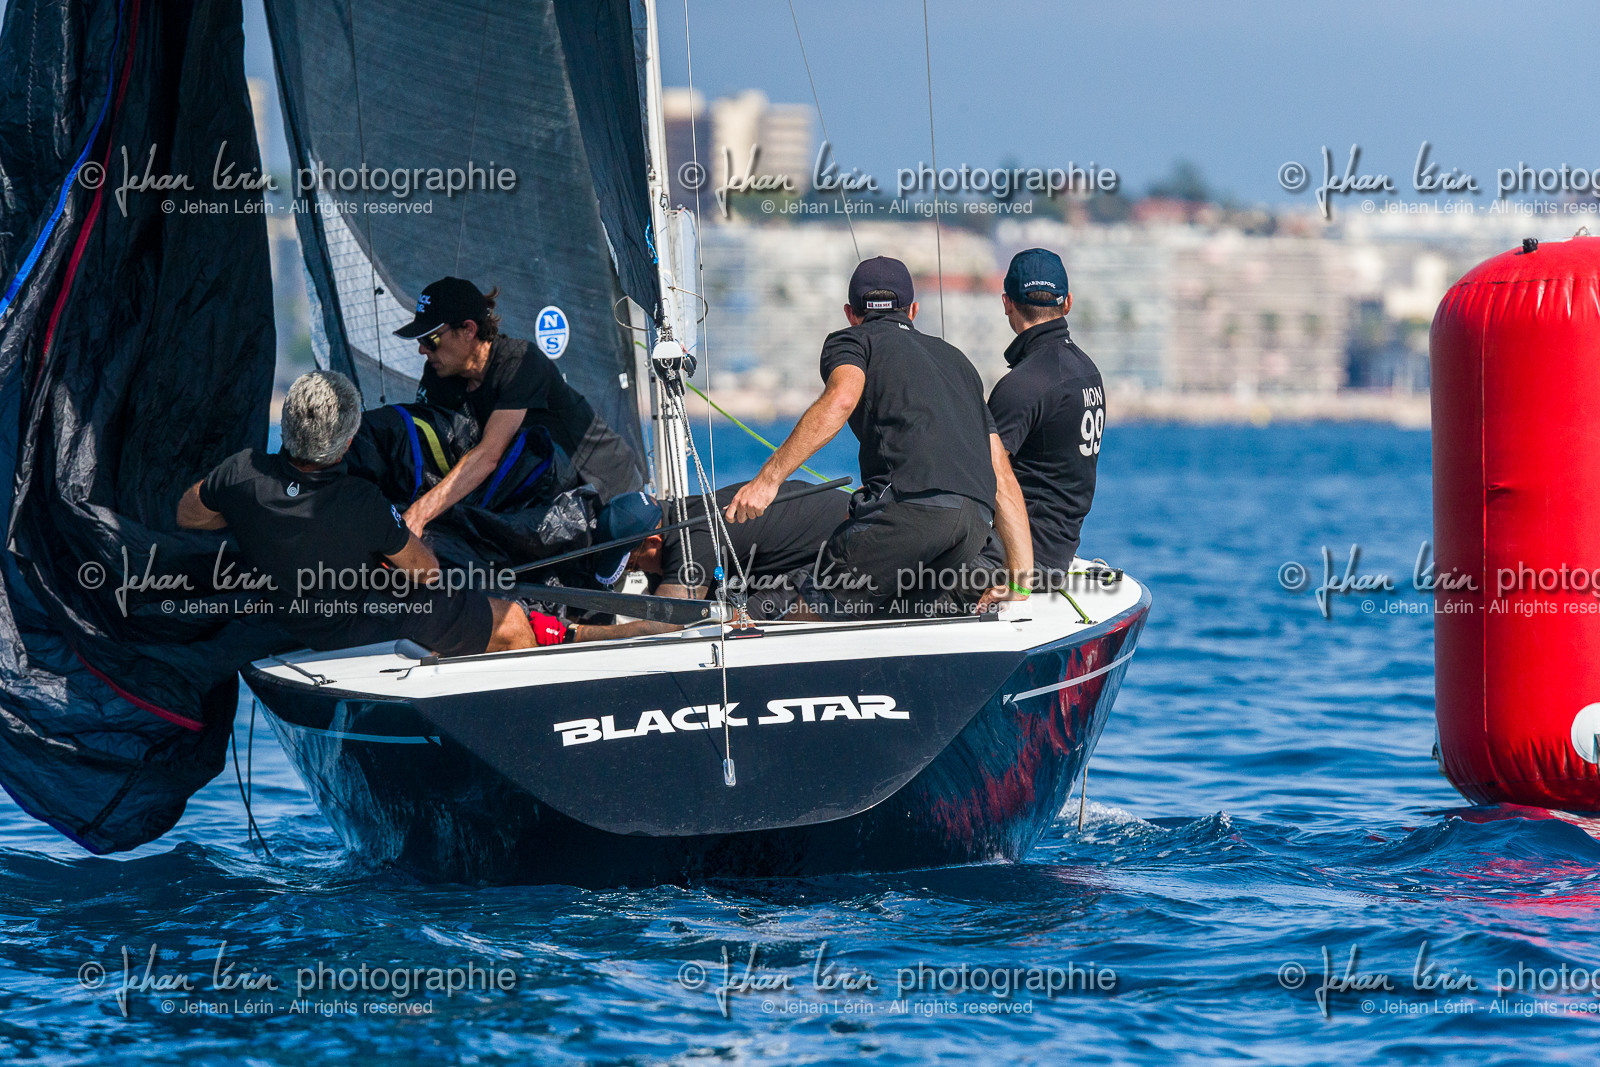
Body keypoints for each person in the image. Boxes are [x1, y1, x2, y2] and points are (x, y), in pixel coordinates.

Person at [725, 256, 1033, 617]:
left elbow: (840, 399)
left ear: (850, 312)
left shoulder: (852, 341)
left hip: (910, 510)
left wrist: (767, 480)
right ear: (913, 310)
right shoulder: (958, 361)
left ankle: (744, 625)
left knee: (796, 600)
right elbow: (1000, 469)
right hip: (973, 525)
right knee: (894, 605)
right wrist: (1020, 579)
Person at [176, 370, 558, 655]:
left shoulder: (240, 473)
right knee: (511, 621)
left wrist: (247, 512)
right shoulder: (361, 501)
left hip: (294, 624)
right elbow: (426, 572)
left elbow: (188, 515)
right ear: (344, 448)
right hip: (362, 624)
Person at [390, 276, 646, 539]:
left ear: (468, 330)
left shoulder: (521, 362)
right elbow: (423, 445)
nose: (421, 350)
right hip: (548, 497)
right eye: (419, 339)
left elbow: (488, 455)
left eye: (430, 339)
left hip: (608, 487)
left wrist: (420, 514)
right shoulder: (439, 374)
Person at [572, 479, 851, 641]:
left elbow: (667, 622)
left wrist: (577, 634)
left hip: (846, 548)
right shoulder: (678, 516)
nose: (636, 572)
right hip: (807, 556)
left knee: (738, 625)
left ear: (653, 543)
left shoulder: (693, 537)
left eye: (632, 564)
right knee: (730, 618)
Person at [974, 248, 1105, 587]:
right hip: (1057, 553)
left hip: (1015, 561)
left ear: (1007, 303)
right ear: (1068, 303)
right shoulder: (1088, 372)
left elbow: (979, 478)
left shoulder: (1023, 384)